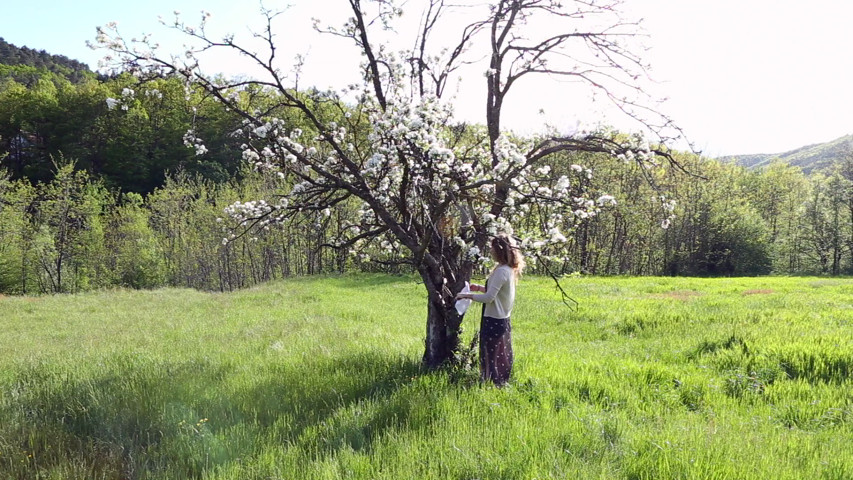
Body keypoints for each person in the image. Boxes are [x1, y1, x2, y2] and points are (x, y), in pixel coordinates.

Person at [456, 234, 524, 386]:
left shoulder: (502, 271)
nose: (490, 251)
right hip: (501, 318)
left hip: (494, 318)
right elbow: (497, 292)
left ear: (499, 250)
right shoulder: (505, 269)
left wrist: (466, 295)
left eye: (492, 248)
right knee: (498, 353)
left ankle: (491, 383)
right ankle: (495, 382)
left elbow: (489, 298)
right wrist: (478, 288)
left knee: (491, 353)